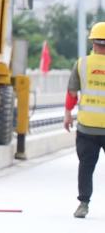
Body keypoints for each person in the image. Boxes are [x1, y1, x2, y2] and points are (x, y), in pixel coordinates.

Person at [64, 22, 105, 219]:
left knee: (86, 167)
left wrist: (67, 114)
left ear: (93, 42)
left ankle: (83, 204)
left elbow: (72, 92)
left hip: (87, 128)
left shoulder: (82, 64)